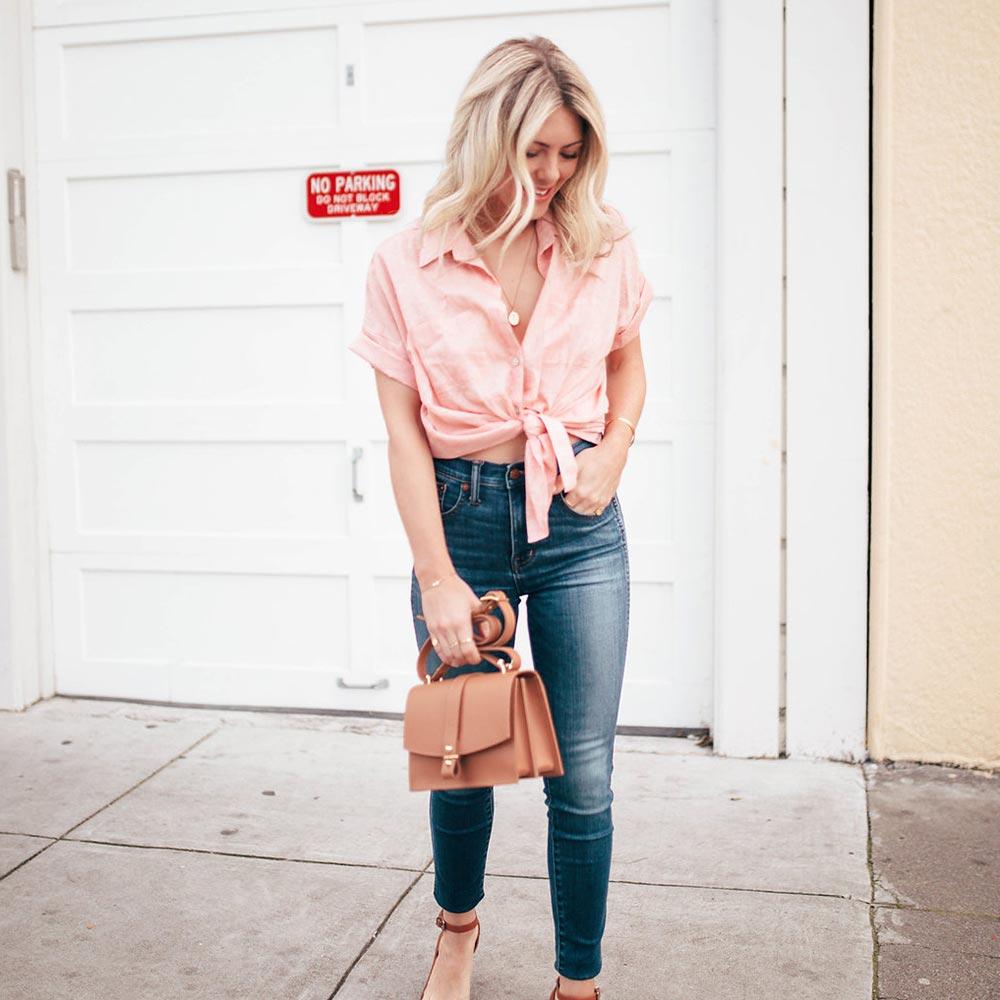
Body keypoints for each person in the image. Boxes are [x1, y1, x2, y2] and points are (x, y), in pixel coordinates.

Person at [348, 34, 652, 1000]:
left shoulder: (603, 240)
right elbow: (401, 435)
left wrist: (616, 449)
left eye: (570, 153)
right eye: (535, 153)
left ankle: (578, 982)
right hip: (463, 515)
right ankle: (457, 931)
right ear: (488, 138)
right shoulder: (407, 262)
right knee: (465, 753)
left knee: (586, 773)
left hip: (577, 523)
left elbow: (629, 366)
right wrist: (436, 576)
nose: (554, 173)